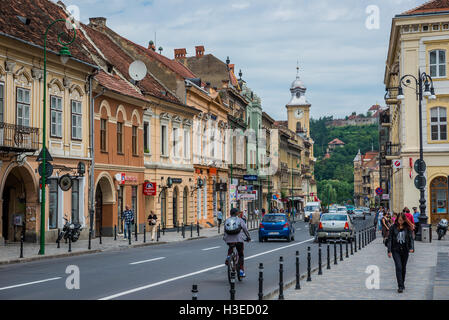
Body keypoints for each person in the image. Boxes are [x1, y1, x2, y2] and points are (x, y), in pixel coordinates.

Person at [387, 211, 415, 293]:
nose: (400, 222)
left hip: (405, 250)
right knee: (398, 267)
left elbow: (411, 239)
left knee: (403, 268)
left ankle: (402, 282)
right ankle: (400, 286)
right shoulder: (393, 227)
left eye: (402, 220)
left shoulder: (408, 227)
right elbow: (390, 239)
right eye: (399, 220)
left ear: (404, 220)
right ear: (397, 219)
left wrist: (412, 248)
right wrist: (389, 250)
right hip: (396, 250)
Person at [223, 208, 251, 278]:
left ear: (230, 213)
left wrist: (225, 238)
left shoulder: (227, 220)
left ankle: (228, 257)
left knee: (230, 247)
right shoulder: (240, 220)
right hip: (238, 240)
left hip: (228, 240)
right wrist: (248, 237)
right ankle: (241, 271)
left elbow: (225, 230)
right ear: (237, 213)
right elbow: (245, 229)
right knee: (241, 254)